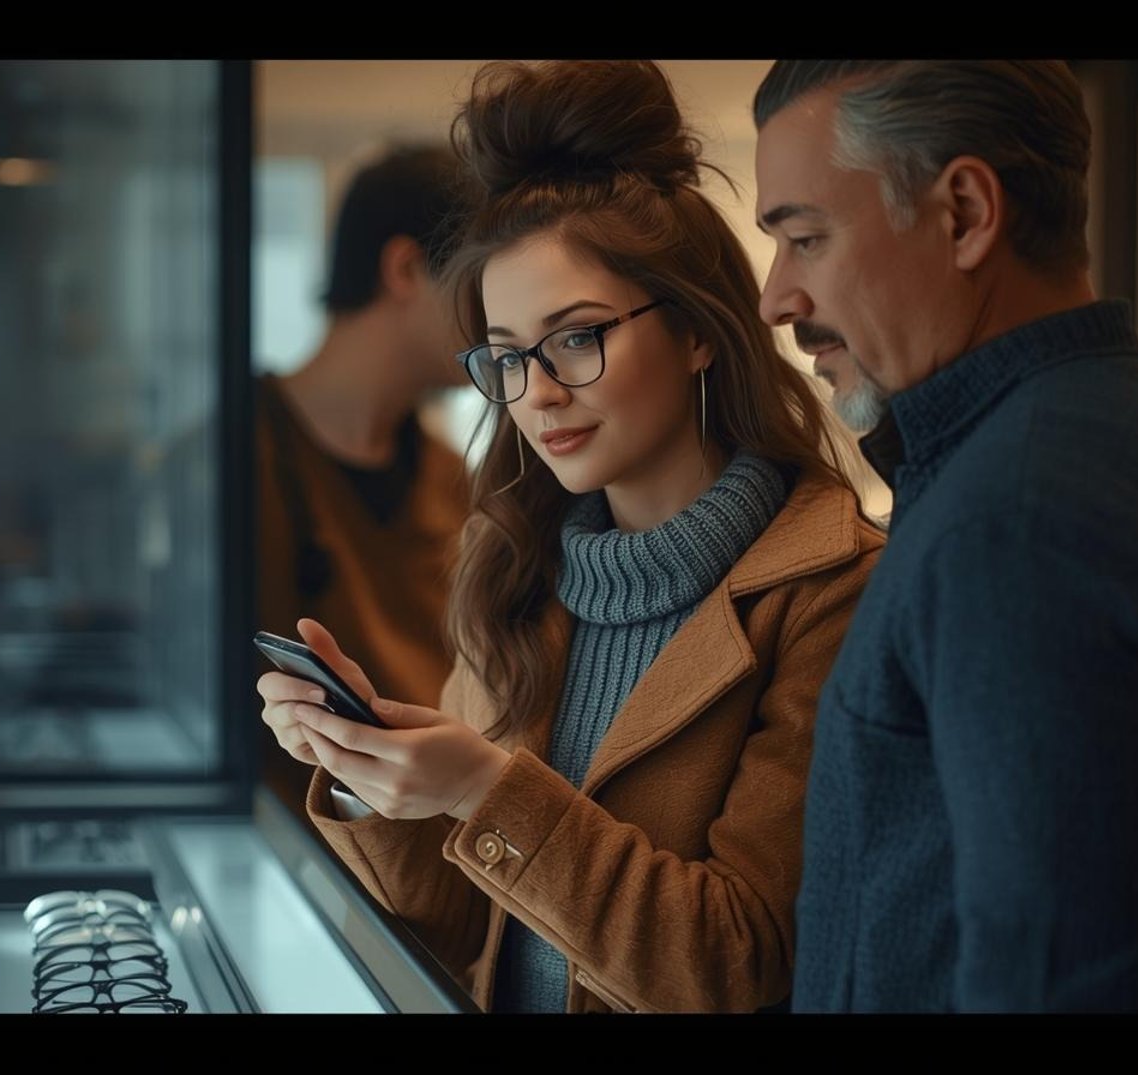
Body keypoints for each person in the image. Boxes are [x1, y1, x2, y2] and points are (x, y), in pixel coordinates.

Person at [258, 60, 881, 1013]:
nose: (538, 392)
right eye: (505, 357)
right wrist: (360, 780)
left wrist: (484, 788)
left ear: (697, 331)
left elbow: (739, 966)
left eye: (577, 337)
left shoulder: (831, 590)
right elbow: (457, 937)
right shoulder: (513, 570)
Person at [751, 60, 1138, 1011]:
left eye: (805, 238)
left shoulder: (1018, 519)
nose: (778, 298)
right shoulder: (1117, 441)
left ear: (967, 212)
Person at [253, 144, 476, 818]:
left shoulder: (458, 481)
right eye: (482, 283)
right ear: (406, 268)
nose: (504, 320)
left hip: (431, 875)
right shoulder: (227, 464)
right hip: (280, 865)